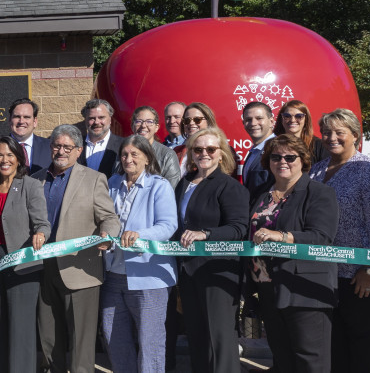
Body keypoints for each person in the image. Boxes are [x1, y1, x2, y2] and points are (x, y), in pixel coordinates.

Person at [245, 134, 338, 372]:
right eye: (275, 157)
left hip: (304, 287)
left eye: (290, 157)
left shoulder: (319, 193)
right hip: (267, 286)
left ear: (303, 160)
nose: (282, 161)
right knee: (281, 357)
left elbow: (321, 237)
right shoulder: (260, 193)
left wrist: (282, 236)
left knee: (310, 360)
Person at [34, 124, 121, 373]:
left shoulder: (94, 179)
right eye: (56, 146)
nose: (61, 151)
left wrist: (108, 235)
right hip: (42, 267)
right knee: (49, 336)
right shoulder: (35, 179)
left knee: (81, 342)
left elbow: (110, 218)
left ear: (78, 150)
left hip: (80, 268)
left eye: (66, 147)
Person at [310, 109, 370, 373]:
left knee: (363, 342)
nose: (332, 137)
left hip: (357, 275)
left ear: (355, 135)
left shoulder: (368, 171)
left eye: (339, 132)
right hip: (324, 271)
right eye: (327, 132)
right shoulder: (317, 170)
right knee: (335, 343)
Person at [100, 135, 178, 373]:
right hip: (113, 273)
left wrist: (140, 235)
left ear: (147, 158)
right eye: (124, 154)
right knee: (112, 334)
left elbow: (168, 226)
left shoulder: (159, 185)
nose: (128, 159)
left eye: (135, 154)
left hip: (148, 276)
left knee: (149, 340)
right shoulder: (111, 183)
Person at [173, 126, 248, 373]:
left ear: (221, 153)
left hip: (217, 271)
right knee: (197, 336)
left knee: (219, 339)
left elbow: (238, 228)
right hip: (188, 271)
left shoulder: (228, 186)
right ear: (191, 154)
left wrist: (205, 234)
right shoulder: (184, 183)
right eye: (198, 149)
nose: (204, 153)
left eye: (211, 149)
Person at [0, 135, 49, 372]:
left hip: (22, 262)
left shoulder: (30, 185)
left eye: (10, 155)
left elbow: (42, 223)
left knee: (21, 326)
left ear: (19, 159)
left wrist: (40, 235)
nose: (4, 160)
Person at [129, 105, 184, 186]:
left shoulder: (167, 155)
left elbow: (171, 190)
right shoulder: (123, 153)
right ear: (132, 126)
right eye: (139, 121)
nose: (143, 125)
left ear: (156, 127)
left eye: (149, 122)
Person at [5, 98, 53, 176]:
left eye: (26, 117)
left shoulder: (50, 147)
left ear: (35, 121)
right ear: (10, 120)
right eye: (17, 116)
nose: (21, 121)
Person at [79, 99, 121, 177]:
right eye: (92, 118)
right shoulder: (76, 145)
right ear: (85, 120)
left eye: (101, 117)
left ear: (110, 119)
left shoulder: (122, 146)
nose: (97, 122)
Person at [173, 102, 219, 170]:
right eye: (187, 120)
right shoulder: (176, 151)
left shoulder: (217, 150)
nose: (191, 123)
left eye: (197, 120)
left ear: (208, 121)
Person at [240, 101, 275, 190]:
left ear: (271, 122)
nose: (253, 123)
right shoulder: (254, 151)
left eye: (259, 118)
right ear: (243, 123)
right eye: (248, 120)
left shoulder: (278, 149)